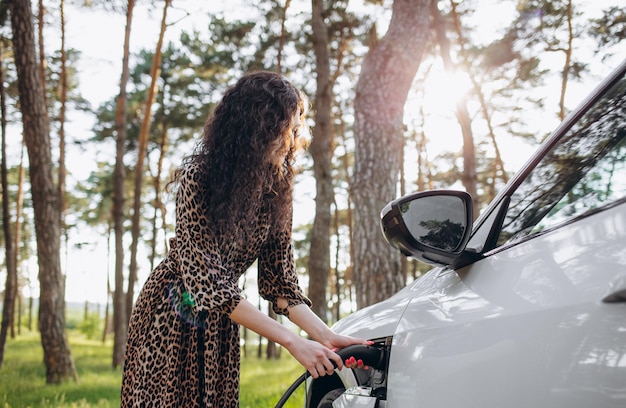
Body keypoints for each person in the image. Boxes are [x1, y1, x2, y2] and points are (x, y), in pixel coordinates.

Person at [120, 70, 369, 407]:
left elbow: (280, 283)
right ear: (259, 126)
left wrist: (324, 335)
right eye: (288, 126)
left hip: (223, 323)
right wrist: (292, 342)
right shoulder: (199, 177)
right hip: (172, 314)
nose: (294, 136)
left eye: (296, 127)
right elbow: (208, 283)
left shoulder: (276, 187)